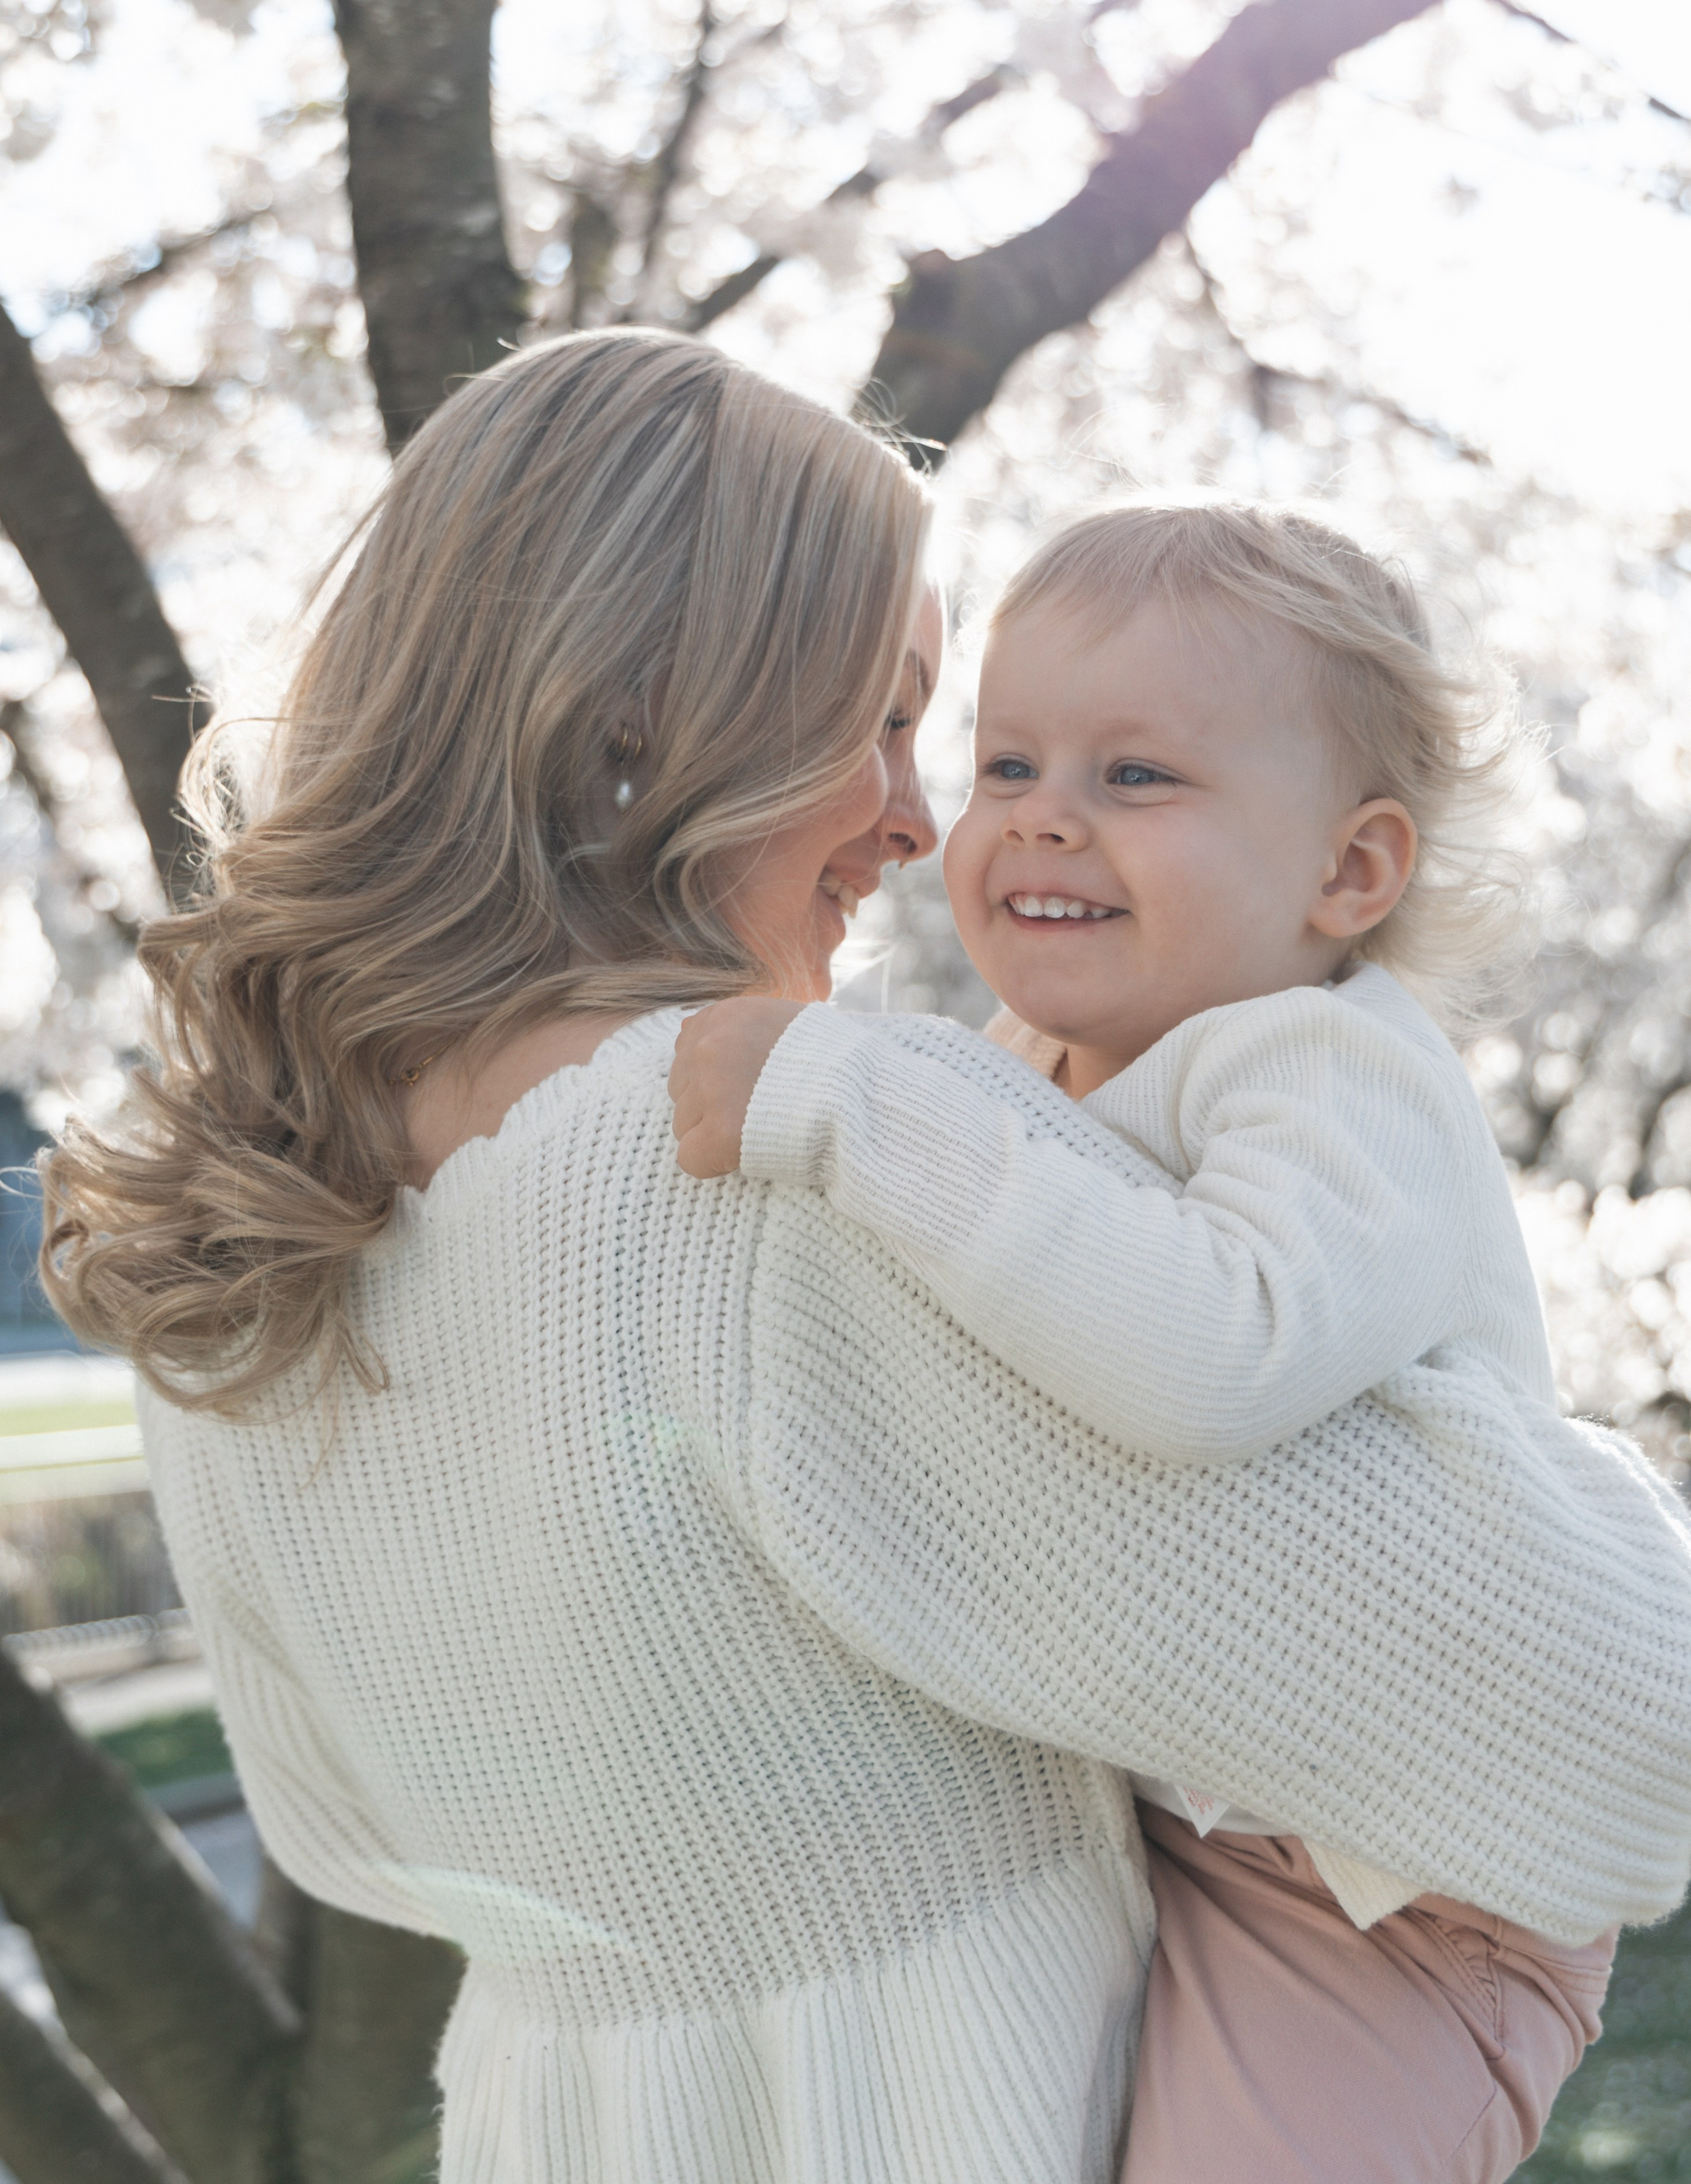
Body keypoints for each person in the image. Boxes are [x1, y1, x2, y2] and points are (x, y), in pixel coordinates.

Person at [41, 341, 1691, 2184]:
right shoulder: (791, 1163)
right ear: (647, 722)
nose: (922, 823)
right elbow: (1616, 1718)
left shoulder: (228, 1265)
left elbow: (356, 1839)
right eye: (889, 724)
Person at [668, 499, 1691, 2181]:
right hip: (1204, 1806)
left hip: (1414, 1896)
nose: (1041, 823)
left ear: (1347, 869)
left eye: (1132, 778)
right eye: (1006, 766)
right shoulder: (1021, 1065)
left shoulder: (1332, 1067)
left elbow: (1208, 1351)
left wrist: (847, 1096)